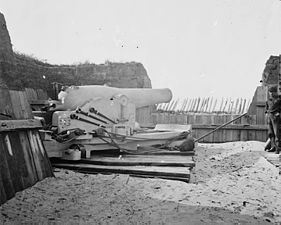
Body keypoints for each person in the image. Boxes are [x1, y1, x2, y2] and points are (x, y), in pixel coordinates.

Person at [265, 85, 281, 154]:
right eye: (270, 92)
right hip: (269, 117)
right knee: (270, 133)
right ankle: (273, 147)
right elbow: (266, 109)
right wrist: (266, 114)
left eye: (272, 92)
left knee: (276, 133)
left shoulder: (279, 100)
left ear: (275, 92)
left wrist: (278, 113)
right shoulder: (268, 100)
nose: (271, 93)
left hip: (276, 117)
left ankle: (278, 149)